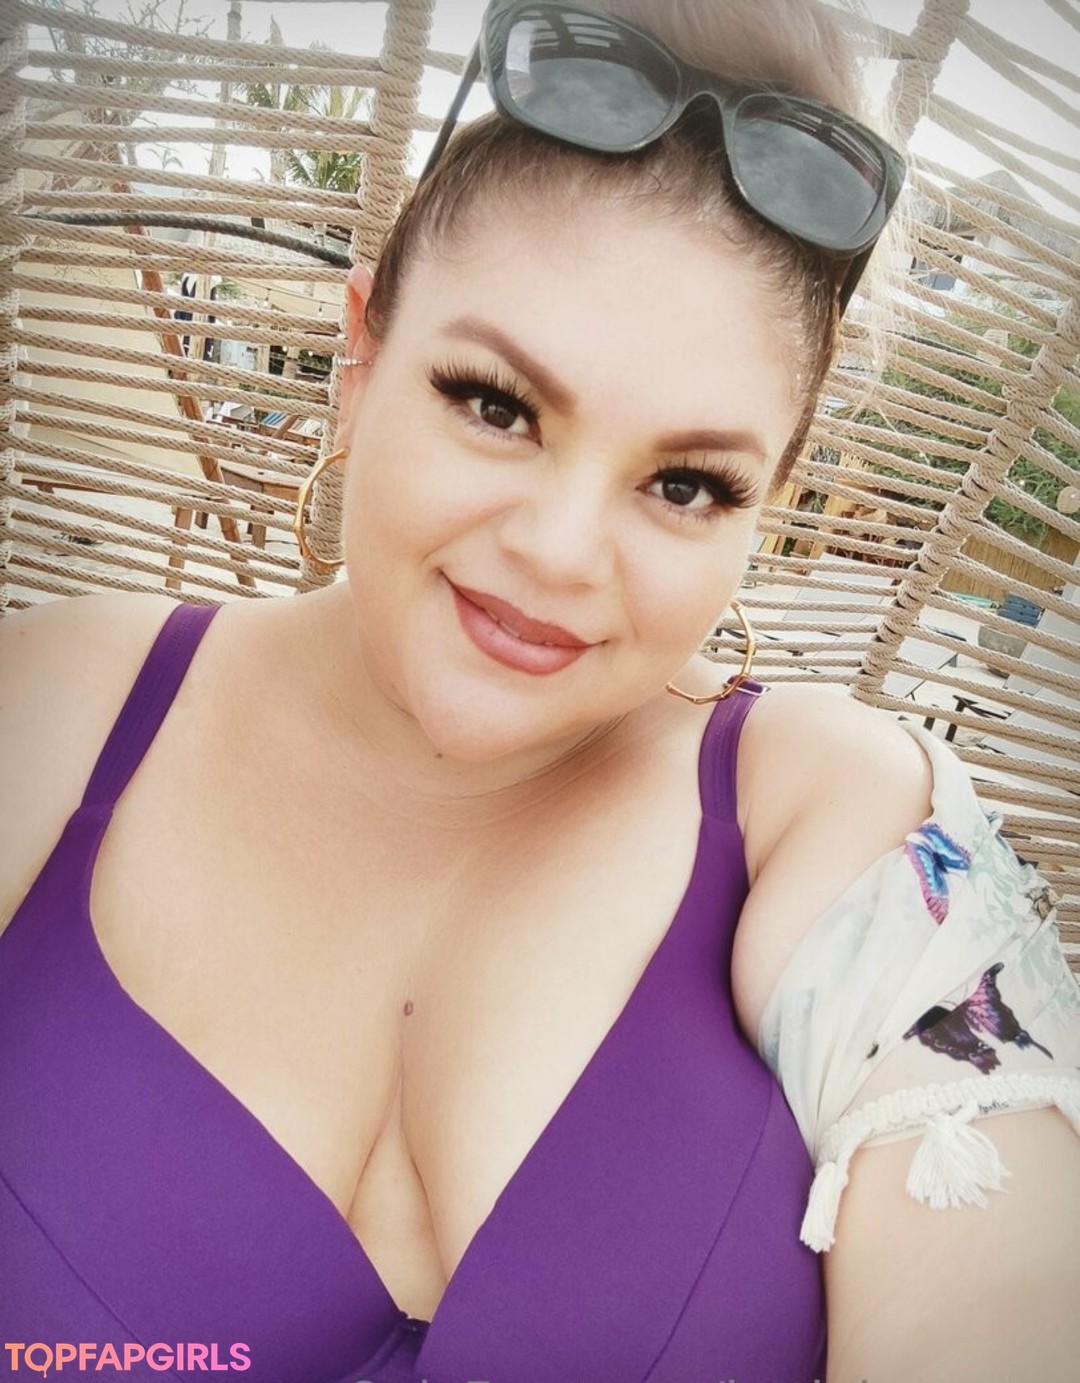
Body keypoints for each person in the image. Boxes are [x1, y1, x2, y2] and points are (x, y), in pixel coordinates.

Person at [1, 2, 1078, 1380]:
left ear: (767, 503)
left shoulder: (842, 818)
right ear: (359, 360)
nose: (562, 553)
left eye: (687, 484)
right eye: (496, 405)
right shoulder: (49, 710)